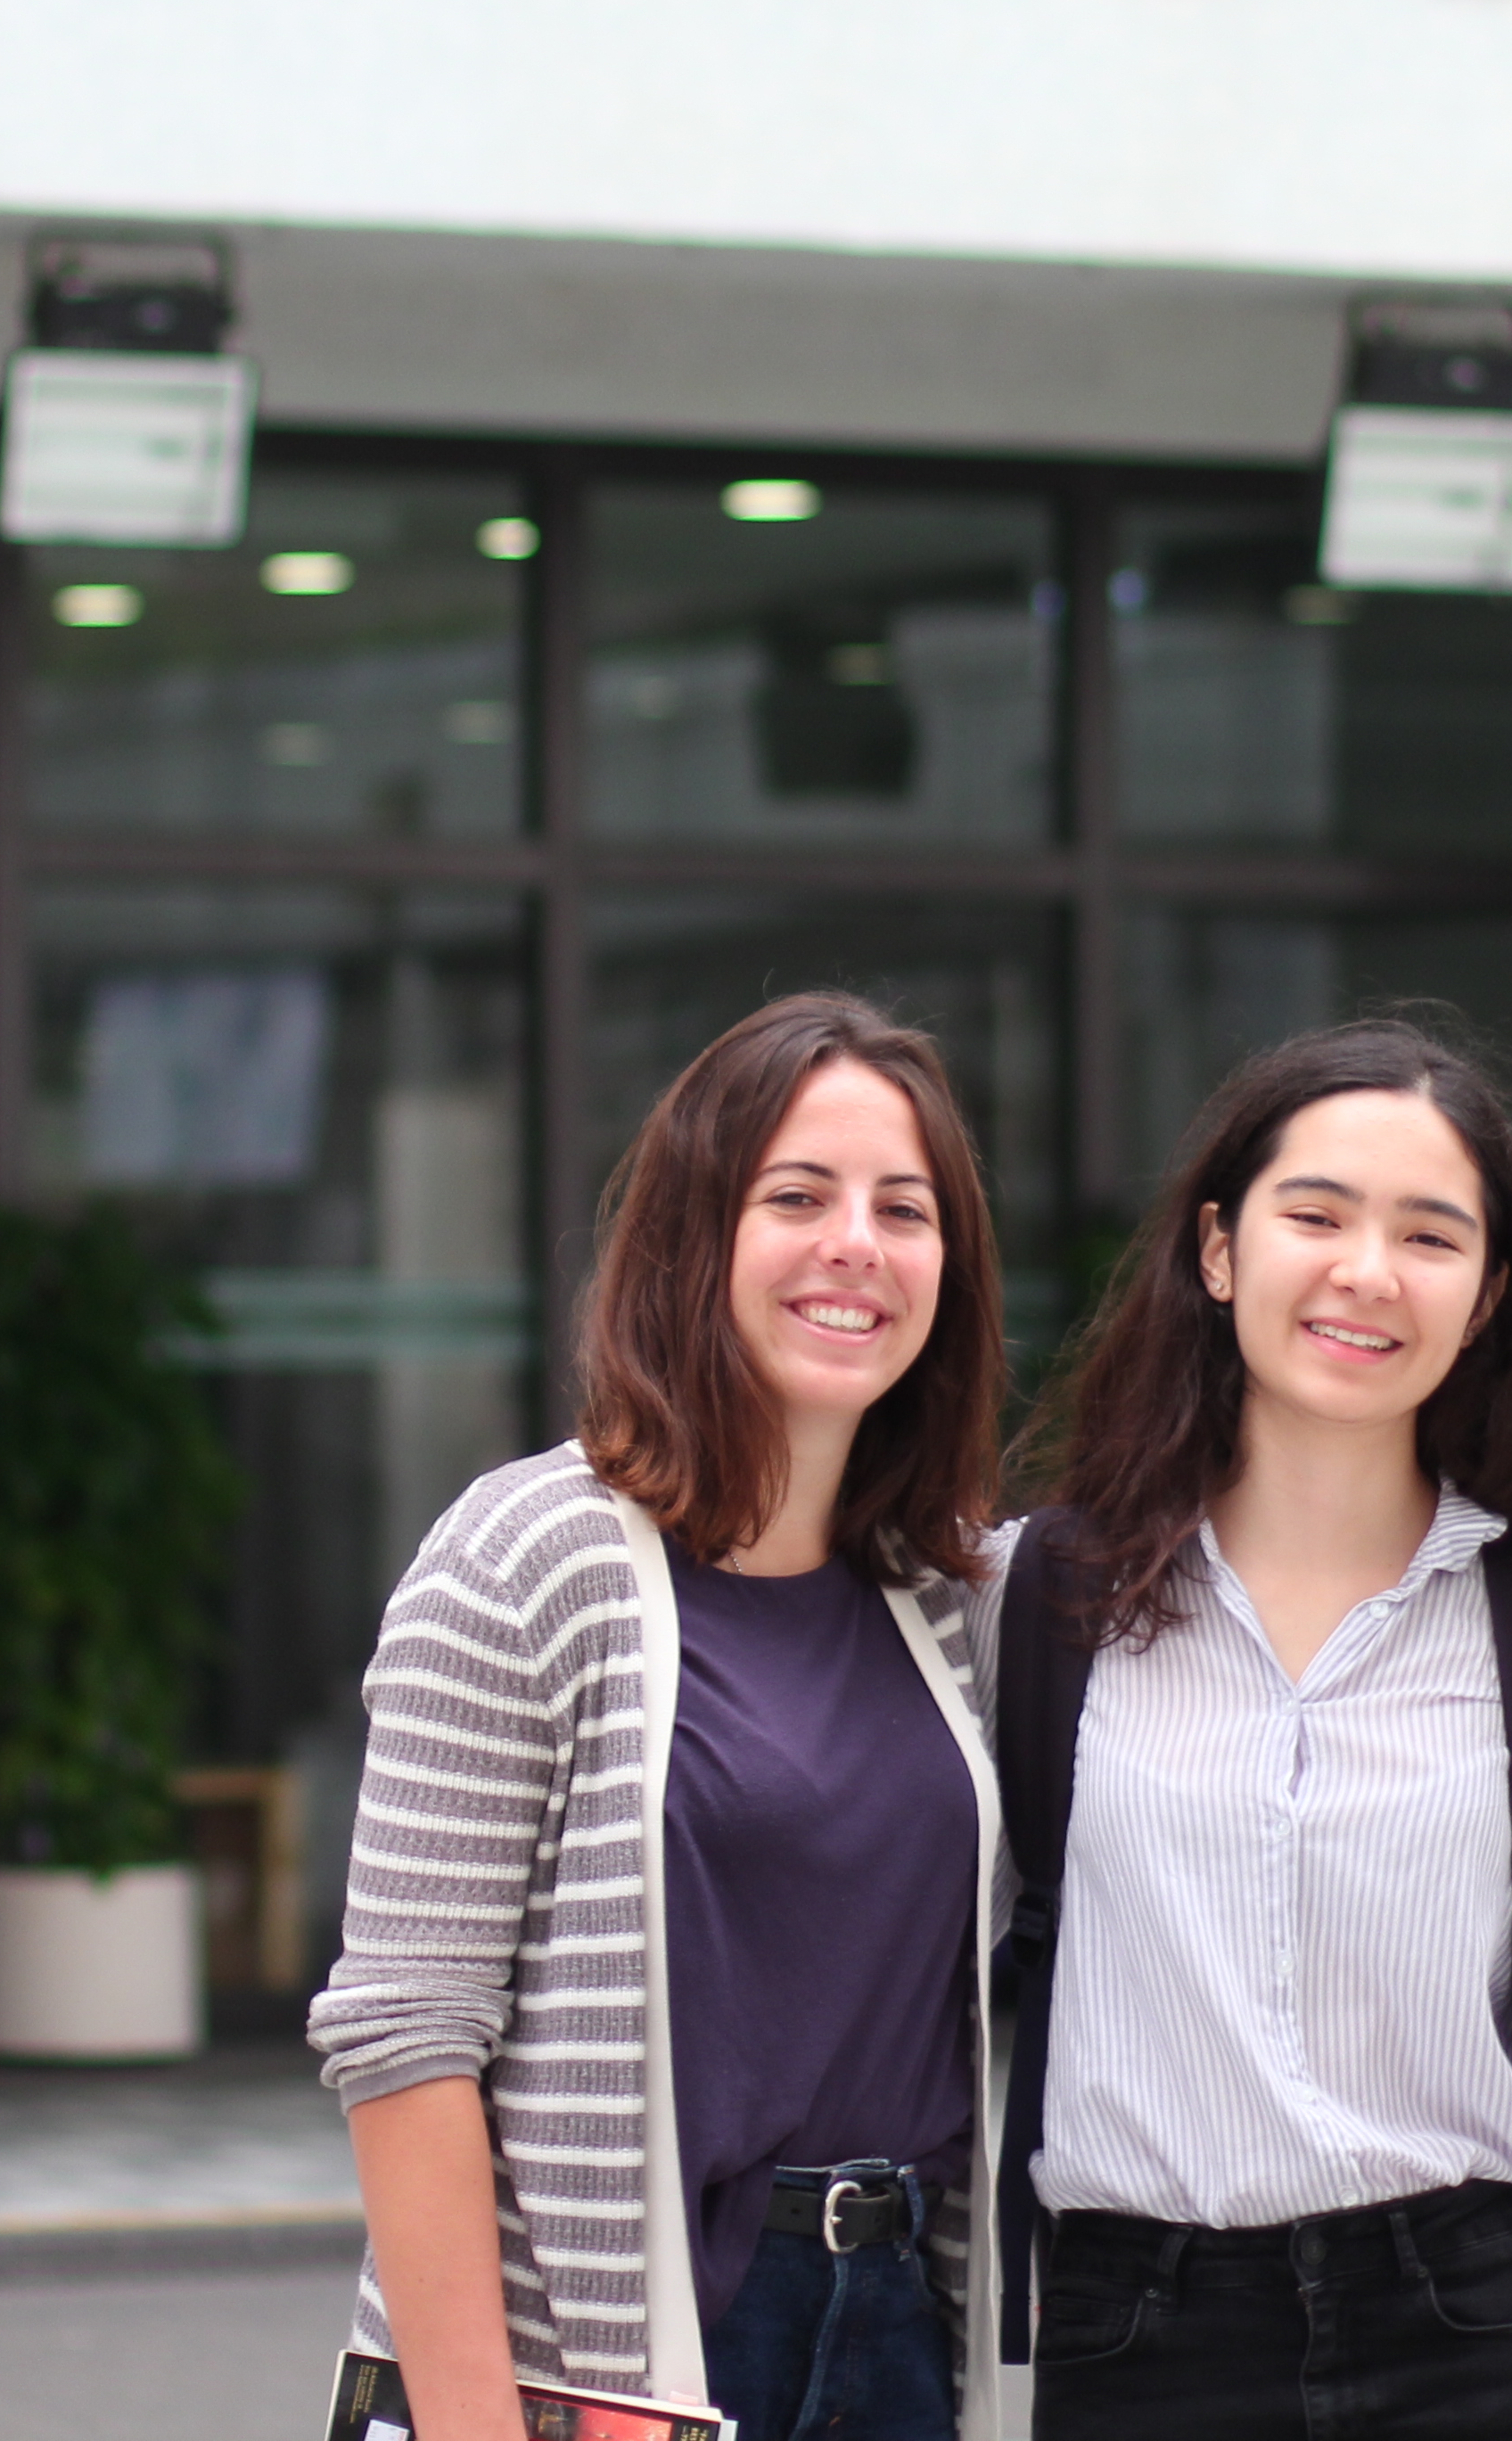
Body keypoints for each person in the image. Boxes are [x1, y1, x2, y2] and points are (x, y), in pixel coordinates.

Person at [308, 992, 1010, 2441]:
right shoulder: (522, 1558)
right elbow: (405, 2044)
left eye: (903, 1207)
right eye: (795, 1196)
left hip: (893, 2332)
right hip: (614, 2361)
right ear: (693, 1238)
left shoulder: (947, 1594)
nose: (854, 1246)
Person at [989, 1015, 1512, 2441]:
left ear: (1489, 1294)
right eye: (1315, 1215)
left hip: (1481, 2335)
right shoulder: (1026, 1598)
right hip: (1132, 2345)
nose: (1367, 1273)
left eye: (1432, 1238)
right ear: (1216, 1250)